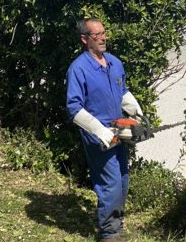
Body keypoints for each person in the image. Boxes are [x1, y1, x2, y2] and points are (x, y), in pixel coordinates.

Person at [66, 17, 143, 242]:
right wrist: (99, 130)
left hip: (118, 130)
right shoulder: (78, 69)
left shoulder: (114, 63)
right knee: (110, 182)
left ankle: (117, 222)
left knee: (123, 178)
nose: (102, 38)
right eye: (96, 35)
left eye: (103, 33)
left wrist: (137, 113)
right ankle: (109, 234)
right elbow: (73, 107)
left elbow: (123, 91)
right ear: (84, 39)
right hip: (97, 135)